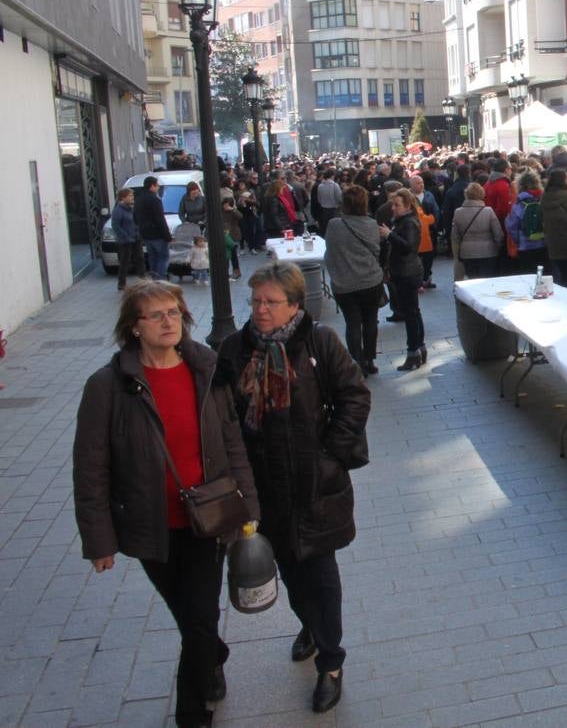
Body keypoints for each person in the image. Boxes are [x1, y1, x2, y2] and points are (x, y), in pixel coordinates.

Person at [74, 282, 260, 728]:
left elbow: (232, 443)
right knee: (191, 617)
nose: (168, 321)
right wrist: (99, 539)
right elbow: (91, 468)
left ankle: (191, 714)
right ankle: (211, 656)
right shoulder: (108, 387)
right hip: (150, 524)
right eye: (155, 315)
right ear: (134, 328)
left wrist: (248, 507)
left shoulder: (205, 370)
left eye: (174, 312)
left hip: (208, 518)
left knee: (198, 615)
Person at [218, 263, 370, 712]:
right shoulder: (235, 349)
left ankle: (331, 661)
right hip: (261, 489)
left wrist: (330, 458)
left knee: (320, 575)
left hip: (313, 485)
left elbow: (354, 396)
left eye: (271, 302)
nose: (261, 310)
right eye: (256, 301)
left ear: (294, 306)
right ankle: (310, 625)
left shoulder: (319, 341)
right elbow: (223, 417)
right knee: (286, 567)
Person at [324, 185, 385, 377]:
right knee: (370, 321)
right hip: (370, 280)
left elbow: (330, 249)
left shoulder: (334, 225)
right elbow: (377, 250)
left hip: (344, 283)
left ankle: (356, 361)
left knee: (352, 323)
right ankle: (369, 358)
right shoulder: (371, 224)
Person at [381, 189, 427, 371]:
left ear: (407, 205)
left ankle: (413, 352)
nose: (393, 208)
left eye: (397, 205)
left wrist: (389, 235)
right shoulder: (402, 221)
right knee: (413, 312)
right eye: (392, 204)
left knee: (410, 313)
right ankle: (419, 349)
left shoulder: (409, 222)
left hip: (408, 273)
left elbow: (409, 247)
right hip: (404, 271)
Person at [452, 183, 504, 279]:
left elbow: (455, 236)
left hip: (467, 253)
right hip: (488, 252)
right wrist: (498, 247)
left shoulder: (458, 212)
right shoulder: (488, 211)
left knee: (473, 279)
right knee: (487, 280)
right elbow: (498, 234)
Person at [505, 170, 549, 278]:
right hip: (543, 245)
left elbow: (512, 227)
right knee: (544, 277)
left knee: (528, 277)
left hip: (525, 247)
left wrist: (518, 240)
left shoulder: (520, 204)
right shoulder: (543, 200)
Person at [136, 175, 172, 280]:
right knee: (163, 257)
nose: (158, 188)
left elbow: (135, 216)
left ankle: (154, 277)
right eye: (157, 186)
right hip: (157, 234)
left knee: (152, 257)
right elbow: (160, 219)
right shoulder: (154, 200)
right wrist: (167, 236)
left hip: (145, 234)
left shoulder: (138, 199)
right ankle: (159, 279)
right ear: (152, 186)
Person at [112, 188, 145, 290]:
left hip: (136, 238)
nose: (132, 198)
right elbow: (116, 225)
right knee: (125, 261)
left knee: (140, 259)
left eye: (132, 196)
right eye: (130, 196)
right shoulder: (118, 210)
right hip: (125, 241)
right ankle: (121, 283)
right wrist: (125, 237)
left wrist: (138, 233)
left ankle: (142, 280)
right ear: (123, 197)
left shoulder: (132, 208)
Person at [315, 169, 343, 235]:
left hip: (324, 210)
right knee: (335, 229)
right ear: (332, 176)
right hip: (334, 210)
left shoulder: (320, 186)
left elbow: (319, 199)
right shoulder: (335, 185)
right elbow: (340, 198)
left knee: (326, 228)